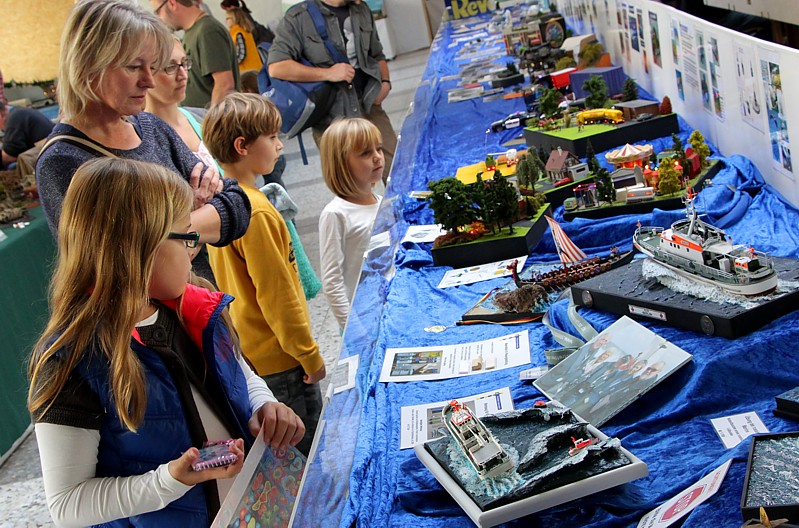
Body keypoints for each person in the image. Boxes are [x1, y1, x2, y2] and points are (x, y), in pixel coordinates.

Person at [28, 157, 304, 527]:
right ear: (136, 248)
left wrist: (265, 405)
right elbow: (67, 504)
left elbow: (241, 375)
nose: (194, 250)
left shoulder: (196, 305)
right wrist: (170, 479)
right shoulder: (70, 360)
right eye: (186, 236)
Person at [36, 0, 250, 281]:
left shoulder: (151, 127)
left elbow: (237, 205)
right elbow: (121, 269)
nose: (149, 81)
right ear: (89, 65)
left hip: (202, 309)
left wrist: (172, 232)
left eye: (153, 66)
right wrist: (195, 216)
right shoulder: (62, 160)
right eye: (134, 67)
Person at [203, 93, 326, 455]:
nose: (279, 143)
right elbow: (278, 296)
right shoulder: (256, 212)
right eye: (271, 137)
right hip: (283, 360)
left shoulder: (223, 203)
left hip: (255, 354)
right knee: (306, 453)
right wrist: (309, 355)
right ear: (242, 146)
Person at [267, 0, 397, 184]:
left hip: (369, 107)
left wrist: (385, 83)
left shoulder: (360, 9)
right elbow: (277, 67)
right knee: (350, 186)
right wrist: (328, 73)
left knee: (396, 172)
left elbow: (377, 53)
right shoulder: (298, 17)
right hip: (332, 119)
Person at [318, 118, 383, 329]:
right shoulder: (335, 214)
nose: (377, 157)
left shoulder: (381, 201)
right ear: (341, 163)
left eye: (378, 148)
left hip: (390, 306)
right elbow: (332, 282)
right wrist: (353, 330)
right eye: (365, 153)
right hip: (364, 319)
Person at [152, 0, 240, 107]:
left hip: (205, 120)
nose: (159, 18)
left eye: (158, 11)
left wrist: (212, 122)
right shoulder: (193, 32)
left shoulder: (208, 31)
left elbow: (225, 85)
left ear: (172, 3)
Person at [0, 100, 54, 168]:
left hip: (48, 155)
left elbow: (9, 156)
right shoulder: (18, 111)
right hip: (49, 149)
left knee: (11, 166)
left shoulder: (14, 119)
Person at [225, 7, 264, 73]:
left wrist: (229, 64)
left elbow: (241, 55)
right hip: (254, 68)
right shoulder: (243, 31)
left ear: (235, 19)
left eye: (228, 18)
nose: (226, 21)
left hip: (247, 71)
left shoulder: (239, 34)